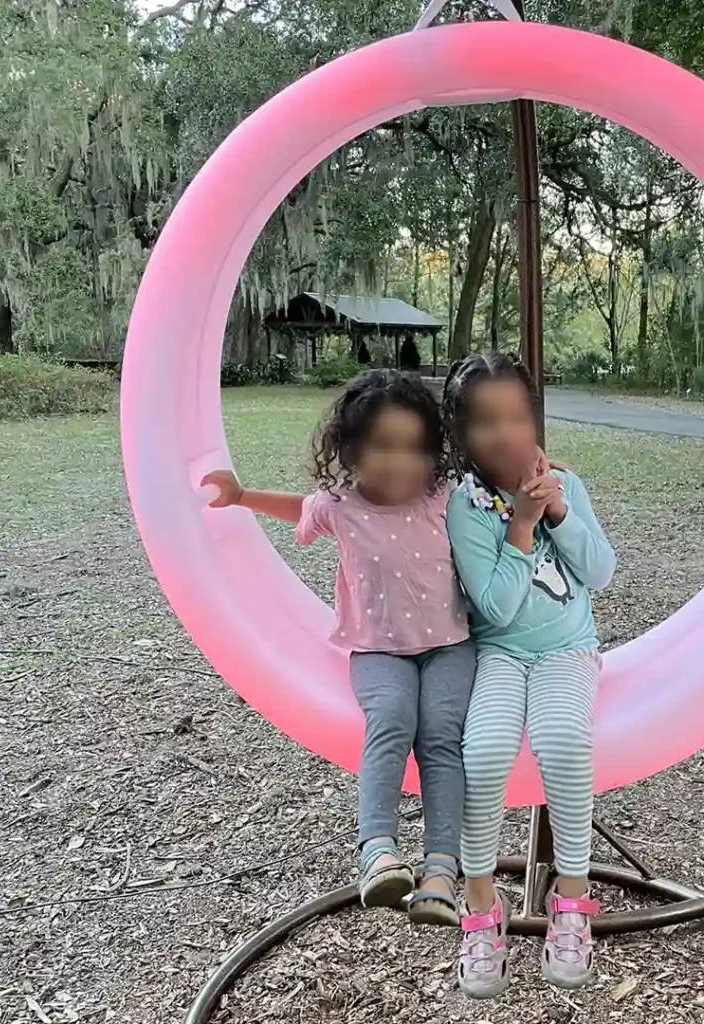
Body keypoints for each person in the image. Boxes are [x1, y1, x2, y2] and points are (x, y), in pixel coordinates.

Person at [201, 368, 476, 927]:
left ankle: (443, 868)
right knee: (392, 721)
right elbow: (299, 509)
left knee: (443, 738)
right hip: (376, 650)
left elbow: (500, 507)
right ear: (351, 449)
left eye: (414, 448)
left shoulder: (444, 499)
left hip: (450, 646)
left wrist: (545, 483)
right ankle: (378, 852)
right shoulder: (340, 505)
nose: (399, 461)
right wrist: (239, 496)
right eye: (382, 446)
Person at [442, 352, 617, 998]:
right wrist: (519, 524)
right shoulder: (466, 506)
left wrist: (559, 514)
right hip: (499, 653)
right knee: (483, 750)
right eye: (485, 421)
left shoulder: (566, 483)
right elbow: (494, 606)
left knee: (563, 738)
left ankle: (571, 900)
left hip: (567, 651)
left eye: (518, 416)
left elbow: (599, 572)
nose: (506, 433)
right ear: (461, 435)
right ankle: (482, 909)